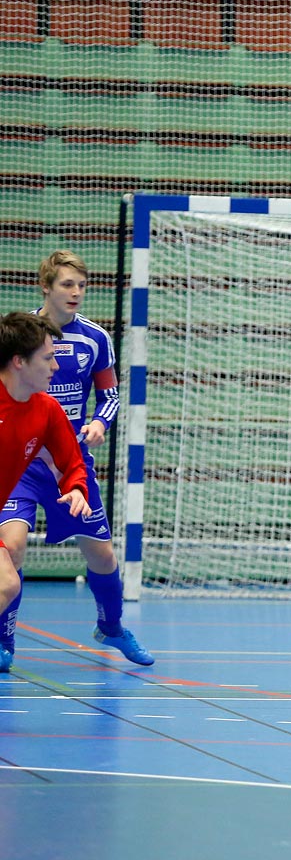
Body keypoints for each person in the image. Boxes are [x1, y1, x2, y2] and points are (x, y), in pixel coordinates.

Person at [2, 253, 154, 671]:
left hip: (71, 458)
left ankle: (112, 626)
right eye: (67, 284)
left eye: (82, 286)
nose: (76, 293)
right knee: (11, 550)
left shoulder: (95, 339)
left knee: (102, 557)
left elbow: (109, 396)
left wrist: (100, 424)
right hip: (23, 460)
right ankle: (4, 641)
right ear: (46, 287)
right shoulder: (20, 336)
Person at [0, 313, 96, 673]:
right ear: (19, 362)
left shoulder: (46, 410)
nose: (56, 366)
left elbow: (72, 463)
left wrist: (75, 489)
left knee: (7, 581)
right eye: (47, 358)